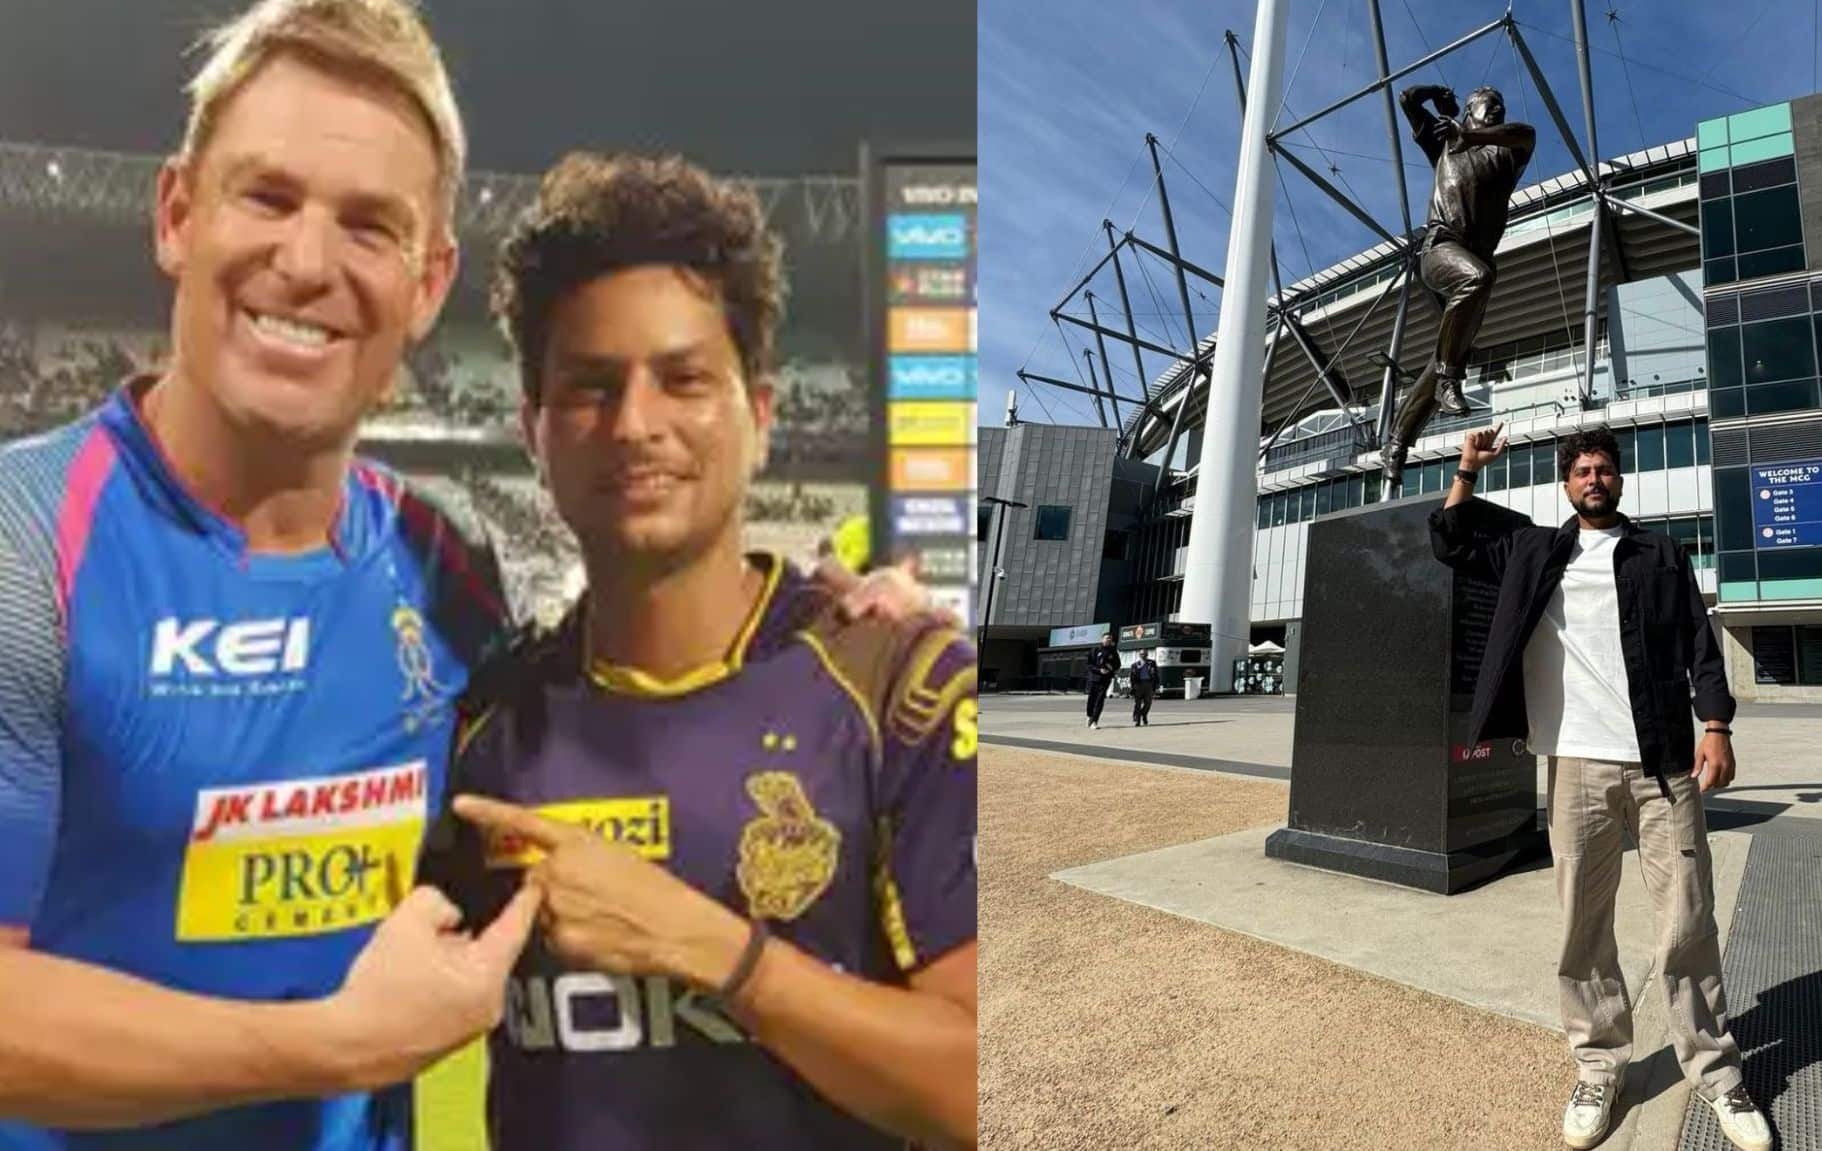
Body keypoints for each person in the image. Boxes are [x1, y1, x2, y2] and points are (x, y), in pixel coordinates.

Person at [0, 3, 927, 1146]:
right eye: (267, 196)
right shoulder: (22, 544)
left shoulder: (446, 573)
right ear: (177, 213)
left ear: (429, 279)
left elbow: (631, 684)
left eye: (369, 225)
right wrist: (333, 1044)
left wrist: (839, 609)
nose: (306, 262)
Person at [418, 152, 977, 1151]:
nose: (635, 425)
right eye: (590, 387)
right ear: (533, 432)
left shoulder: (902, 686)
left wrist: (712, 949)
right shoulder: (478, 716)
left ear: (759, 416)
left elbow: (982, 1087)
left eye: (682, 378)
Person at [1430, 424, 1771, 1151]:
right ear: (1566, 483)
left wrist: (1717, 723)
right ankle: (1599, 1065)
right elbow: (1452, 539)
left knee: (1686, 920)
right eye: (1582, 469)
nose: (1593, 478)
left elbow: (1699, 646)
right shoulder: (1533, 549)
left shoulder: (1659, 554)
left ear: (1620, 479)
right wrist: (1467, 465)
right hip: (1575, 764)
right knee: (1581, 927)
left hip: (1662, 763)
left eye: (1604, 468)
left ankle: (1715, 1069)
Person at [1381, 85, 1534, 489]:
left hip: (1480, 261)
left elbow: (1525, 133)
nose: (1498, 110)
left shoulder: (1507, 152)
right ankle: (1451, 377)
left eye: (1502, 104)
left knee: (1442, 354)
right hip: (1441, 249)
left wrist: (1472, 134)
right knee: (1474, 284)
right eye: (1490, 104)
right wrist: (1440, 95)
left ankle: (1396, 442)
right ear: (1468, 110)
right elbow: (1408, 100)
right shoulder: (1445, 143)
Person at [1085, 631, 1119, 729]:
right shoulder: (1095, 650)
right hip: (1094, 678)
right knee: (1091, 699)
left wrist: (1110, 668)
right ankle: (1089, 716)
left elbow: (1117, 665)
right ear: (1102, 639)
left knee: (1100, 700)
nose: (1108, 639)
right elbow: (1088, 665)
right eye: (1107, 638)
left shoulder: (1113, 652)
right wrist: (1099, 670)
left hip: (1105, 679)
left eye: (1110, 638)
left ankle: (1095, 721)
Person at [1129, 649, 1159, 726]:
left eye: (1145, 654)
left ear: (1147, 655)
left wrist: (1156, 685)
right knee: (1138, 703)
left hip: (1148, 684)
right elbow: (1132, 677)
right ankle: (1138, 721)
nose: (1144, 656)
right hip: (1138, 685)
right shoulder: (1135, 665)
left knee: (1148, 703)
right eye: (1142, 654)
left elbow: (1156, 674)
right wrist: (1133, 687)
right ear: (1139, 655)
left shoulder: (1152, 663)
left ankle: (1143, 714)